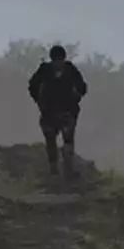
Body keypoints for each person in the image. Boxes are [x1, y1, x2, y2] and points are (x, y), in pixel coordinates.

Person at [28, 45, 88, 177]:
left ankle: (54, 169)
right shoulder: (69, 69)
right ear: (64, 57)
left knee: (51, 140)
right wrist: (76, 97)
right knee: (67, 140)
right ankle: (67, 169)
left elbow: (32, 86)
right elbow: (83, 87)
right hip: (66, 111)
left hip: (49, 112)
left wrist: (38, 100)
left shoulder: (45, 69)